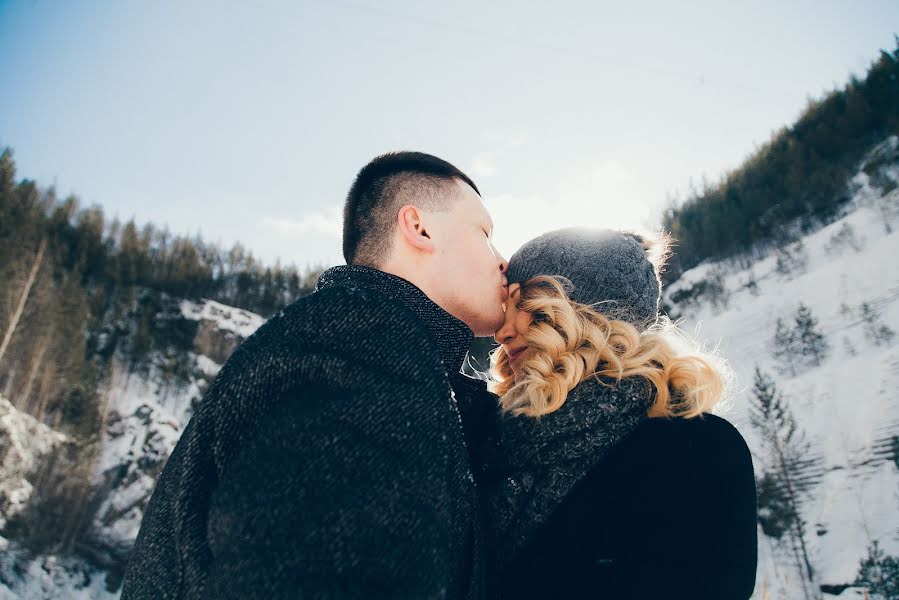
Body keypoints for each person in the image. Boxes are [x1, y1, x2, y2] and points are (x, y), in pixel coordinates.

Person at [121, 151, 509, 599]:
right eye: (484, 234)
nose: (502, 261)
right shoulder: (367, 342)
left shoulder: (368, 347)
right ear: (418, 228)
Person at [486, 228, 757, 599]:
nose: (501, 331)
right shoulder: (498, 444)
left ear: (586, 312)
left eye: (525, 304)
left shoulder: (696, 450)